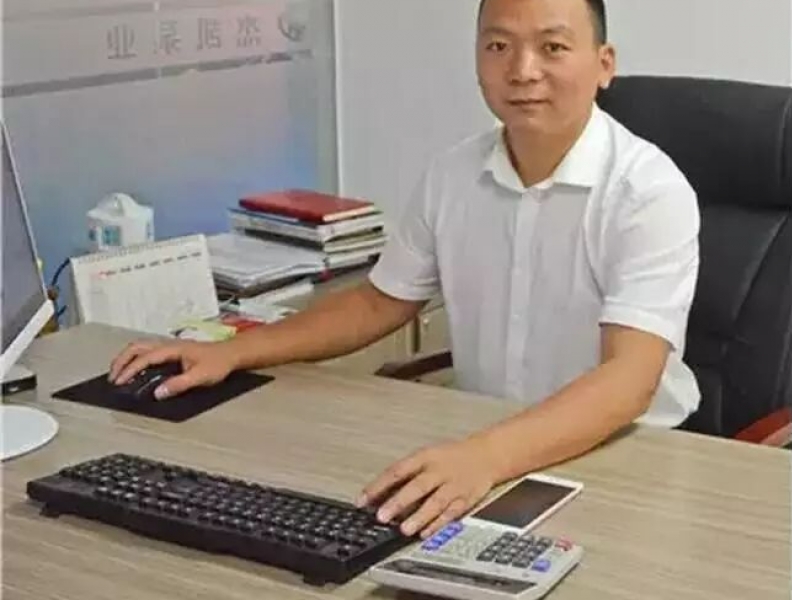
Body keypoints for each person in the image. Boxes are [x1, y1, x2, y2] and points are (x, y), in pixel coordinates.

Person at [109, 0, 700, 540]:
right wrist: (233, 352)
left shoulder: (647, 192)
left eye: (553, 47)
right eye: (498, 46)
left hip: (625, 454)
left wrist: (486, 457)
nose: (522, 70)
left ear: (603, 64)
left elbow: (628, 381)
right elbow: (378, 302)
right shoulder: (453, 174)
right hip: (483, 446)